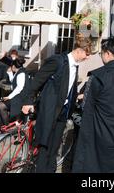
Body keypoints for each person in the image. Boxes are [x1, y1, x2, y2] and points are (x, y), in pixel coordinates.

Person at [21, 34, 92, 173]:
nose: (87, 57)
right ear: (79, 50)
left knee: (54, 148)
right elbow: (36, 82)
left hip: (63, 113)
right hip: (49, 110)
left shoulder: (75, 66)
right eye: (87, 54)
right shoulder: (57, 61)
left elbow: (68, 88)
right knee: (44, 147)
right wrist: (28, 102)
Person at [72, 38, 114, 173]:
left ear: (108, 53)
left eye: (101, 54)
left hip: (100, 134)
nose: (101, 57)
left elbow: (86, 105)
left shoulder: (98, 76)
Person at [0, 58, 27, 132]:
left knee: (1, 105)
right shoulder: (18, 72)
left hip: (20, 99)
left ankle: (7, 127)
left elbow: (19, 88)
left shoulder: (21, 74)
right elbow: (13, 83)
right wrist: (10, 73)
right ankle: (2, 126)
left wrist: (9, 97)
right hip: (17, 97)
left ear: (13, 66)